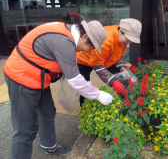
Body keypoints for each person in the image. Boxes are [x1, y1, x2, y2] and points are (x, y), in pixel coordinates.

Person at [4, 20, 113, 159]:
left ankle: (49, 146)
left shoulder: (67, 32)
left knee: (48, 111)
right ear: (85, 37)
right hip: (21, 77)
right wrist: (98, 95)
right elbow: (75, 80)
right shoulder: (64, 42)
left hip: (38, 78)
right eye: (89, 47)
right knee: (25, 130)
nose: (86, 51)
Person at [76, 18, 142, 106]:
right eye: (128, 39)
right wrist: (113, 82)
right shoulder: (106, 40)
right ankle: (84, 106)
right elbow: (98, 67)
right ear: (121, 31)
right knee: (84, 85)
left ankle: (122, 103)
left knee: (122, 77)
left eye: (132, 41)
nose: (129, 43)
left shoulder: (123, 40)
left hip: (105, 58)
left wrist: (123, 68)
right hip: (84, 59)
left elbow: (118, 56)